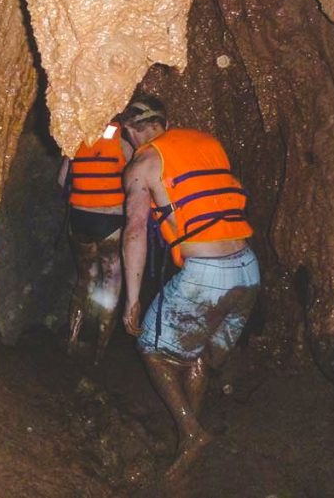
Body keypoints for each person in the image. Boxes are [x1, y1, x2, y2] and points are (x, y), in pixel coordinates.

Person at [118, 95, 260, 479]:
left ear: (130, 130)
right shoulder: (209, 143)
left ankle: (192, 432)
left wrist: (132, 299)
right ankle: (186, 446)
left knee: (151, 349)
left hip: (206, 275)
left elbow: (134, 233)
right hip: (247, 269)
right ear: (164, 121)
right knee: (196, 353)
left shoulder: (143, 163)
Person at [57, 118, 131, 364]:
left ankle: (73, 339)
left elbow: (61, 181)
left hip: (80, 220)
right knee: (111, 283)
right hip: (110, 221)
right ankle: (99, 352)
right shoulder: (121, 142)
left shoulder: (76, 138)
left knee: (85, 279)